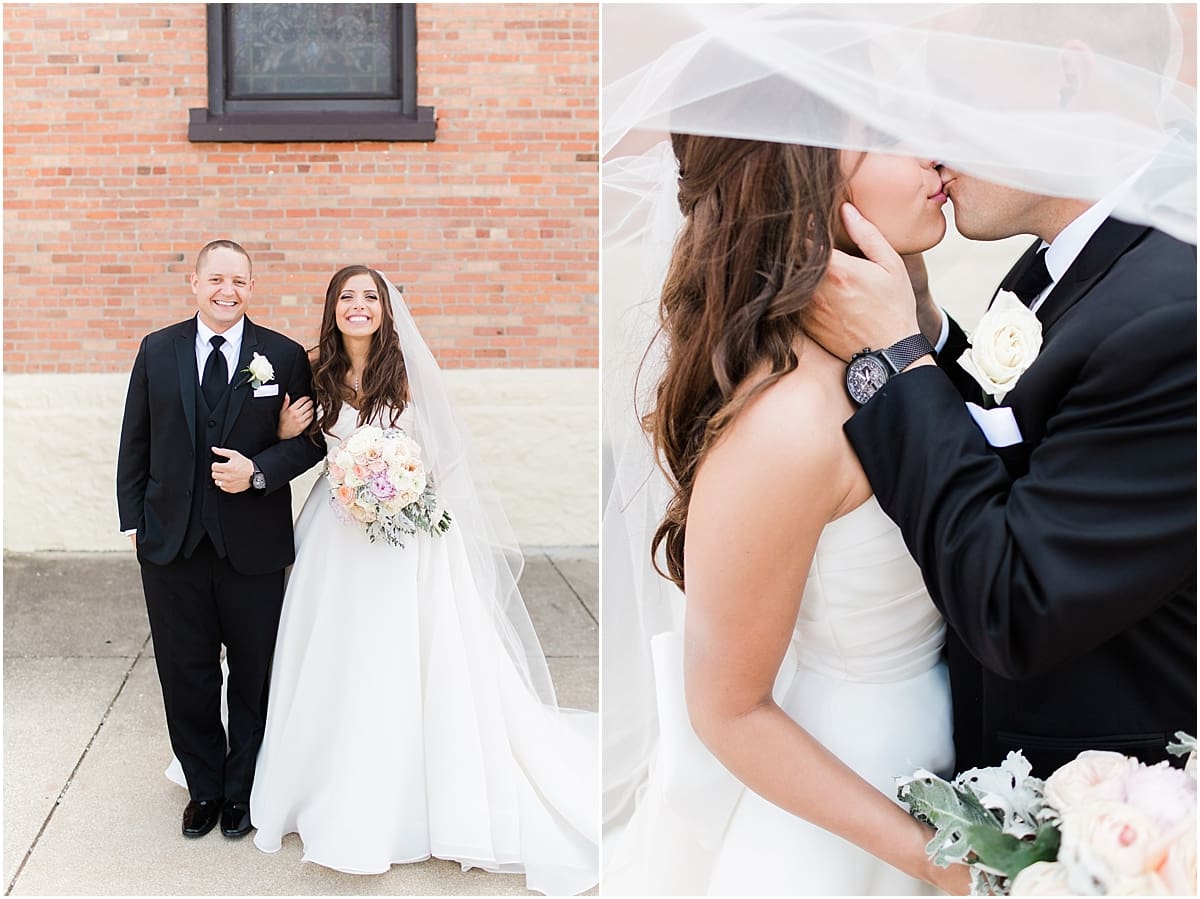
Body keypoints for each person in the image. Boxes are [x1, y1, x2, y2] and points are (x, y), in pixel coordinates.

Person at [605, 127, 968, 894]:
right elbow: (728, 710)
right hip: (854, 808)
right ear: (808, 185)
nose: (934, 150)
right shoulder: (790, 420)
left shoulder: (891, 352)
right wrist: (939, 860)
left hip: (953, 756)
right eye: (885, 137)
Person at [805, 164, 1196, 776]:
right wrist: (925, 330)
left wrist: (899, 361)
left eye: (956, 101)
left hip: (1109, 797)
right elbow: (1028, 432)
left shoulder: (1171, 313)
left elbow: (1016, 607)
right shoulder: (1075, 257)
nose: (931, 152)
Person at [246, 266, 598, 896]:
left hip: (408, 536)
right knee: (331, 654)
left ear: (385, 309)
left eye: (370, 298)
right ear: (332, 308)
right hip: (334, 535)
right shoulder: (312, 370)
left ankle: (410, 793)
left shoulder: (405, 370)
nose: (359, 307)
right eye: (347, 297)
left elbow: (447, 451)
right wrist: (283, 436)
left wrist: (403, 480)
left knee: (406, 654)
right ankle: (319, 779)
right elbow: (301, 448)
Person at [116, 240, 326, 839]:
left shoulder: (283, 356)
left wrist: (257, 470)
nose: (226, 291)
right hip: (170, 545)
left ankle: (243, 790)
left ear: (251, 288)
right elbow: (136, 438)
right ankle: (203, 789)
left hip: (252, 547)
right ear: (195, 283)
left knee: (254, 671)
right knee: (187, 673)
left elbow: (309, 443)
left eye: (238, 281)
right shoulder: (158, 349)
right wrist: (135, 521)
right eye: (216, 280)